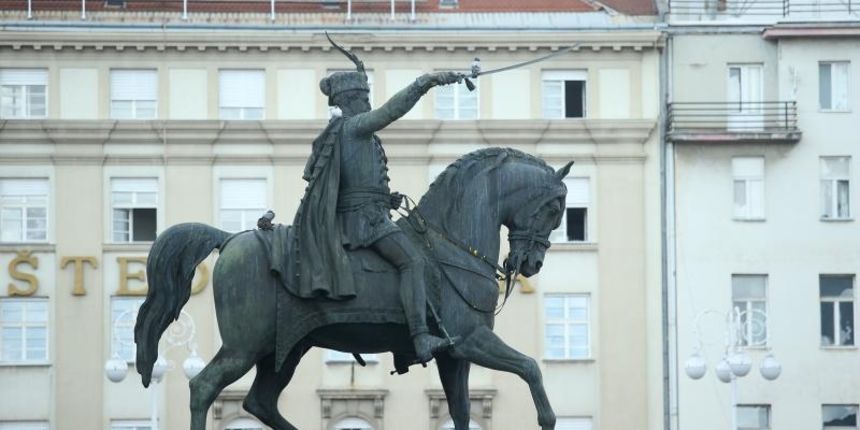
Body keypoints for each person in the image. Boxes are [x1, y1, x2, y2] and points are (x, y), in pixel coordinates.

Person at [291, 36, 462, 363]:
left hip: (370, 212)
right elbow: (392, 110)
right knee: (413, 261)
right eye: (364, 98)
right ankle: (420, 338)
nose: (369, 104)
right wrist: (426, 82)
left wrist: (386, 197)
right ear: (352, 100)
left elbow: (353, 183)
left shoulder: (346, 132)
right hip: (363, 223)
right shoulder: (354, 127)